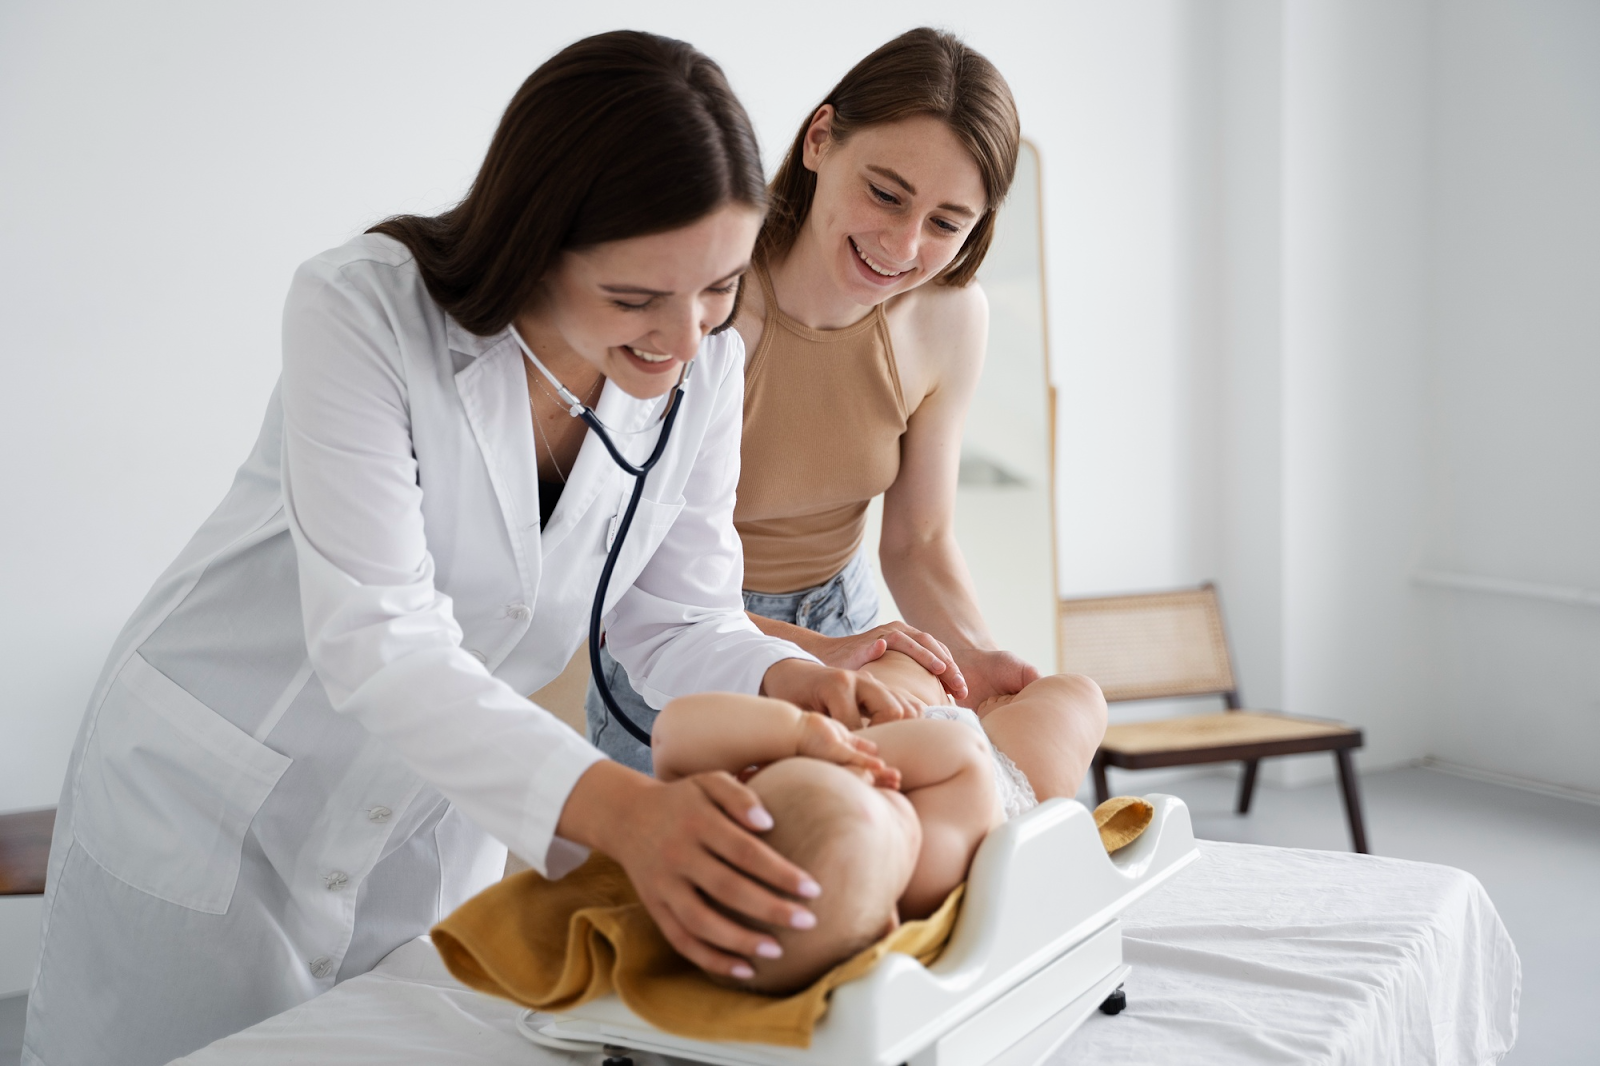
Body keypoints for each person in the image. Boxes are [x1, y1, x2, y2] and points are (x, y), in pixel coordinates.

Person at [24, 32, 912, 1066]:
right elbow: (382, 638)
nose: (681, 339)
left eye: (718, 287)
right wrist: (623, 811)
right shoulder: (362, 309)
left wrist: (799, 678)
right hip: (215, 798)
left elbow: (676, 617)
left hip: (429, 820)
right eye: (634, 298)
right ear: (539, 236)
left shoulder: (705, 369)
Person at [590, 28, 1095, 771]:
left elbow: (918, 541)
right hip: (688, 638)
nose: (902, 244)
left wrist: (973, 654)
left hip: (846, 621)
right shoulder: (708, 304)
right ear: (821, 140)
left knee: (883, 849)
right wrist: (812, 654)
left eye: (946, 224)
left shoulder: (950, 317)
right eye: (885, 194)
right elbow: (644, 586)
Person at [649, 654, 1108, 993]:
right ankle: (1000, 707)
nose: (877, 782)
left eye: (846, 784)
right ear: (889, 929)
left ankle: (908, 694)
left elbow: (671, 735)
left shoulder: (750, 795)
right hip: (995, 778)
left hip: (881, 735)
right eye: (889, 805)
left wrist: (797, 736)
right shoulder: (926, 874)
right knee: (1078, 696)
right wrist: (861, 748)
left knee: (899, 663)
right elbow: (963, 754)